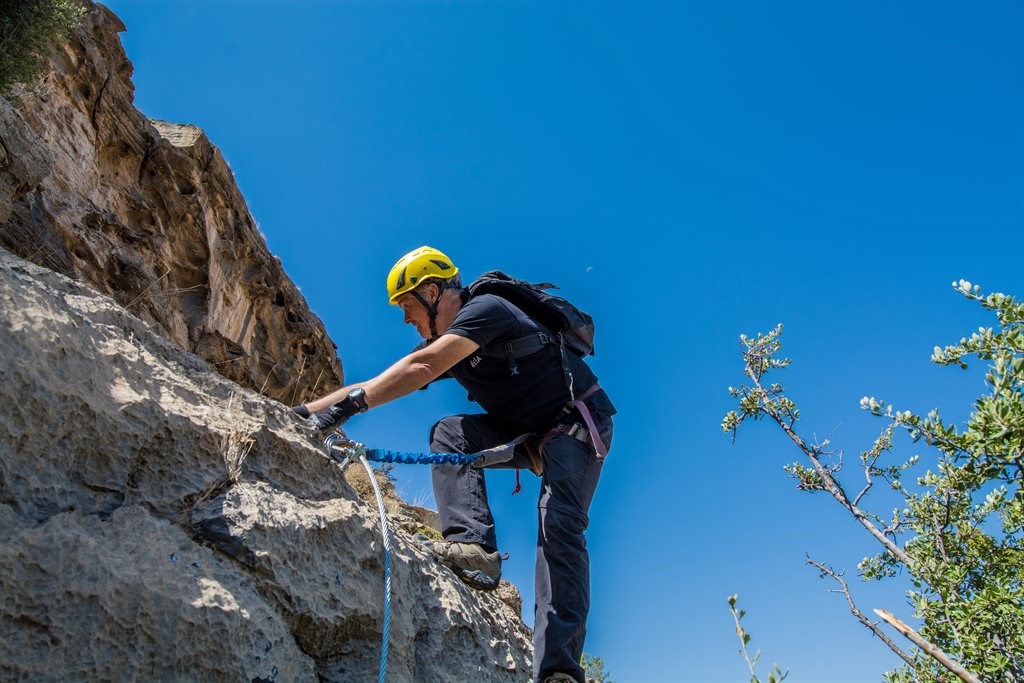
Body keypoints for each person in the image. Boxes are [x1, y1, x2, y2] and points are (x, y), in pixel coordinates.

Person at [293, 246, 616, 683]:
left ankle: (559, 672)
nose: (407, 319)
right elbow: (379, 380)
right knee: (451, 433)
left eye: (408, 306)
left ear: (431, 291)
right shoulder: (459, 343)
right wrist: (302, 413)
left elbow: (422, 366)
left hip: (577, 425)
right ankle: (473, 549)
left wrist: (348, 410)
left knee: (557, 527)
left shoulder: (487, 310)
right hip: (531, 433)